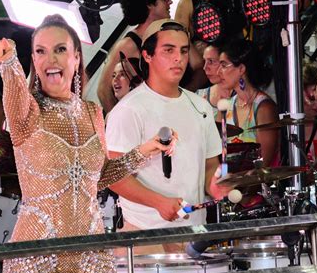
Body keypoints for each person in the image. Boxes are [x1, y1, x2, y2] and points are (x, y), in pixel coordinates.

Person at [0, 14, 173, 273]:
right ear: (33, 60)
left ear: (76, 57)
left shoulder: (93, 113)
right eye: (40, 51)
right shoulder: (27, 114)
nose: (51, 59)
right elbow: (16, 98)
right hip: (35, 252)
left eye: (60, 49)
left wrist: (143, 152)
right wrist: (9, 63)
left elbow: (97, 179)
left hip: (90, 251)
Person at [106, 19, 227, 255]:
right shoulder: (129, 109)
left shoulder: (200, 106)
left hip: (194, 236)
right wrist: (158, 202)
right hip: (144, 236)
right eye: (168, 50)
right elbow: (114, 175)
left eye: (183, 51)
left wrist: (220, 186)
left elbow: (210, 166)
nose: (178, 58)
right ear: (147, 55)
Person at [97, 0, 205, 114]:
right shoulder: (128, 45)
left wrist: (180, 98)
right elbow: (103, 91)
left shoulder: (174, 32)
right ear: (149, 4)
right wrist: (120, 123)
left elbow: (200, 67)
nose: (170, 1)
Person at [217, 39, 278, 167]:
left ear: (241, 69)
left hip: (255, 184)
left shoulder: (264, 108)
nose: (218, 72)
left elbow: (264, 163)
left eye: (223, 65)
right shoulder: (225, 107)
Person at [196, 43, 234, 119]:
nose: (205, 67)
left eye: (211, 61)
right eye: (205, 61)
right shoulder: (198, 97)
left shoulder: (243, 97)